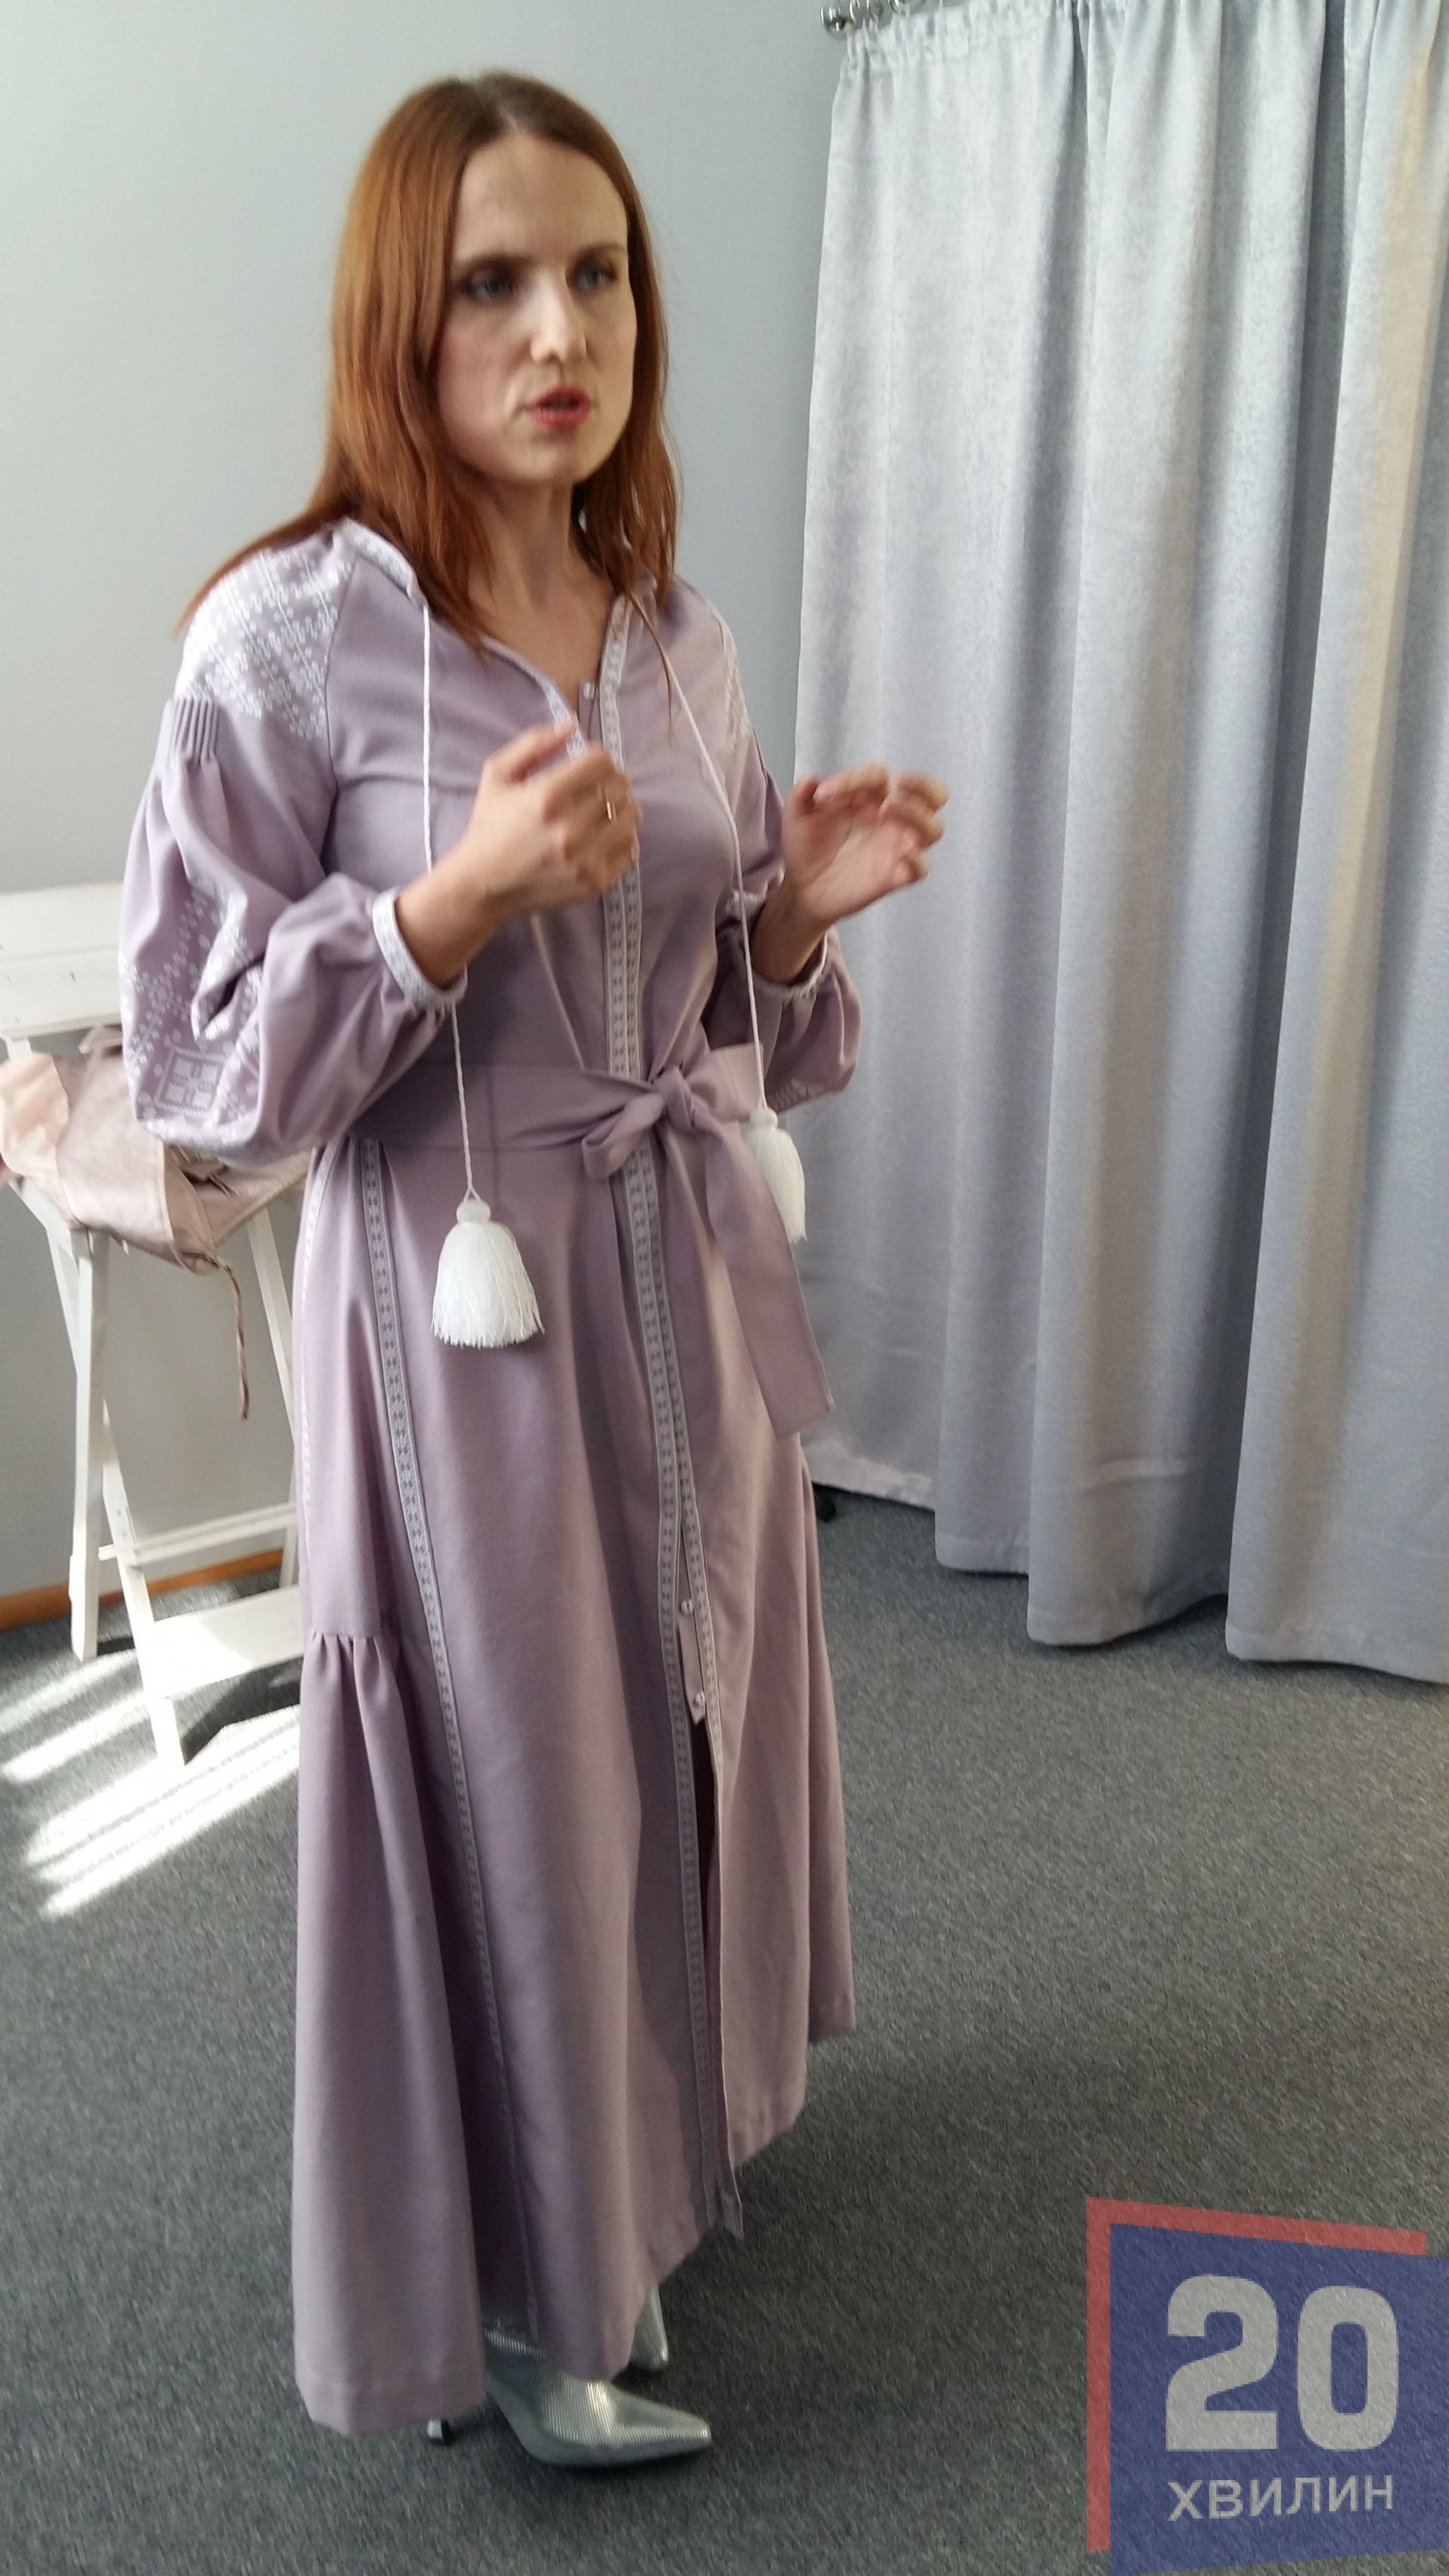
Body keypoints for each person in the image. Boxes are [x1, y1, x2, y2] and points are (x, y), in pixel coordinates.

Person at [118, 68, 947, 2470]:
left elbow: (718, 1025)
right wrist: (440, 906)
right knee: (519, 1766)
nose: (557, 331)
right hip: (456, 1332)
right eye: (493, 282)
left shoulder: (673, 636)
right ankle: (521, 2292)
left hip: (679, 1283)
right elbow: (198, 1080)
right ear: (402, 312)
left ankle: (646, 2167)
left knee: (680, 1711)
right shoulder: (282, 649)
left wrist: (788, 919)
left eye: (597, 275)